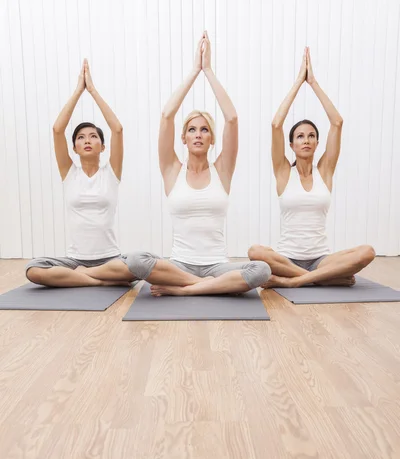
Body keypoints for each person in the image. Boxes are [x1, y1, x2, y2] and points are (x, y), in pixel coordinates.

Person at [26, 60, 203, 289]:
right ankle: (97, 280)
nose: (87, 140)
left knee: (137, 264)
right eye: (81, 137)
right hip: (75, 260)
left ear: (102, 146)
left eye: (93, 136)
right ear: (74, 148)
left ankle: (83, 279)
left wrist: (93, 91)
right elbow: (57, 129)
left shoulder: (111, 173)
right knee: (34, 269)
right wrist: (78, 91)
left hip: (110, 260)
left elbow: (117, 128)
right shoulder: (69, 173)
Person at [147, 31, 270, 297]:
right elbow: (167, 115)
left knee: (262, 270)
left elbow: (233, 118)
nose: (198, 135)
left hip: (216, 266)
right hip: (179, 264)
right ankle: (207, 288)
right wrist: (194, 71)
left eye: (204, 130)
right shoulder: (172, 170)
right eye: (192, 130)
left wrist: (209, 71)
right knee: (137, 261)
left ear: (212, 138)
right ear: (183, 137)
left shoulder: (222, 170)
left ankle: (187, 290)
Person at [248, 47, 375, 289]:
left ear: (318, 142)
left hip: (321, 260)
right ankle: (323, 280)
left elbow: (337, 122)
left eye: (311, 136)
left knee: (367, 251)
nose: (306, 140)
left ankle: (296, 282)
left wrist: (313, 82)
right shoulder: (284, 172)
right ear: (291, 144)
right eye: (300, 136)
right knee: (255, 251)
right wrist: (299, 82)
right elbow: (276, 124)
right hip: (286, 258)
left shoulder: (324, 171)